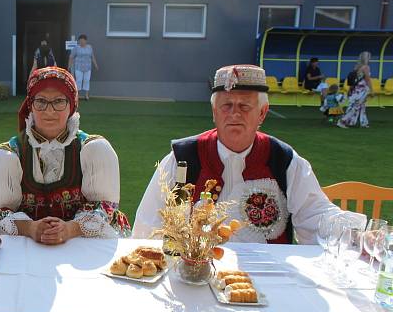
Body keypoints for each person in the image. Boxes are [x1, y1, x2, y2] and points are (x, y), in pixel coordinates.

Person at [133, 64, 358, 245]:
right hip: (196, 277)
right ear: (214, 112)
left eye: (244, 106)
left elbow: (315, 214)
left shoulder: (284, 160)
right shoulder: (182, 157)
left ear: (262, 113)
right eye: (226, 105)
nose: (234, 114)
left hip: (268, 282)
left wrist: (356, 235)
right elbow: (148, 225)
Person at [0, 66, 130, 242]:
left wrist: (70, 229)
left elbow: (105, 210)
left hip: (82, 249)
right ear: (30, 105)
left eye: (58, 101)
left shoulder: (95, 150)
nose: (49, 111)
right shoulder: (6, 157)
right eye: (41, 101)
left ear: (71, 106)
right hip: (24, 252)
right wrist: (30, 228)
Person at [338, 51, 372, 129]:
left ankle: (363, 122)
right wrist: (372, 90)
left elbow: (354, 80)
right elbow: (368, 79)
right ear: (366, 58)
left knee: (360, 106)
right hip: (362, 90)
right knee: (356, 106)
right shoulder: (366, 67)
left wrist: (350, 89)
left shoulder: (357, 67)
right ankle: (342, 121)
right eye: (369, 57)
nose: (370, 59)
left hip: (356, 89)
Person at [68, 35, 98, 101]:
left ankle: (86, 95)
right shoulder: (76, 48)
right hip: (78, 67)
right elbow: (71, 57)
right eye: (80, 41)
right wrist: (69, 66)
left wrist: (95, 64)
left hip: (88, 67)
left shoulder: (89, 47)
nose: (81, 42)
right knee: (79, 80)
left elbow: (92, 56)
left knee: (86, 80)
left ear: (86, 41)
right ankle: (77, 95)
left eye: (83, 41)